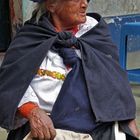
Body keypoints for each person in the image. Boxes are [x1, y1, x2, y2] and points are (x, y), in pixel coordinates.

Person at [0, 0, 140, 139]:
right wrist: (31, 110)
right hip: (47, 128)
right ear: (51, 5)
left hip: (97, 126)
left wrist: (126, 116)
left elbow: (114, 77)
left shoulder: (95, 33)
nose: (84, 4)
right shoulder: (30, 37)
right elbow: (11, 83)